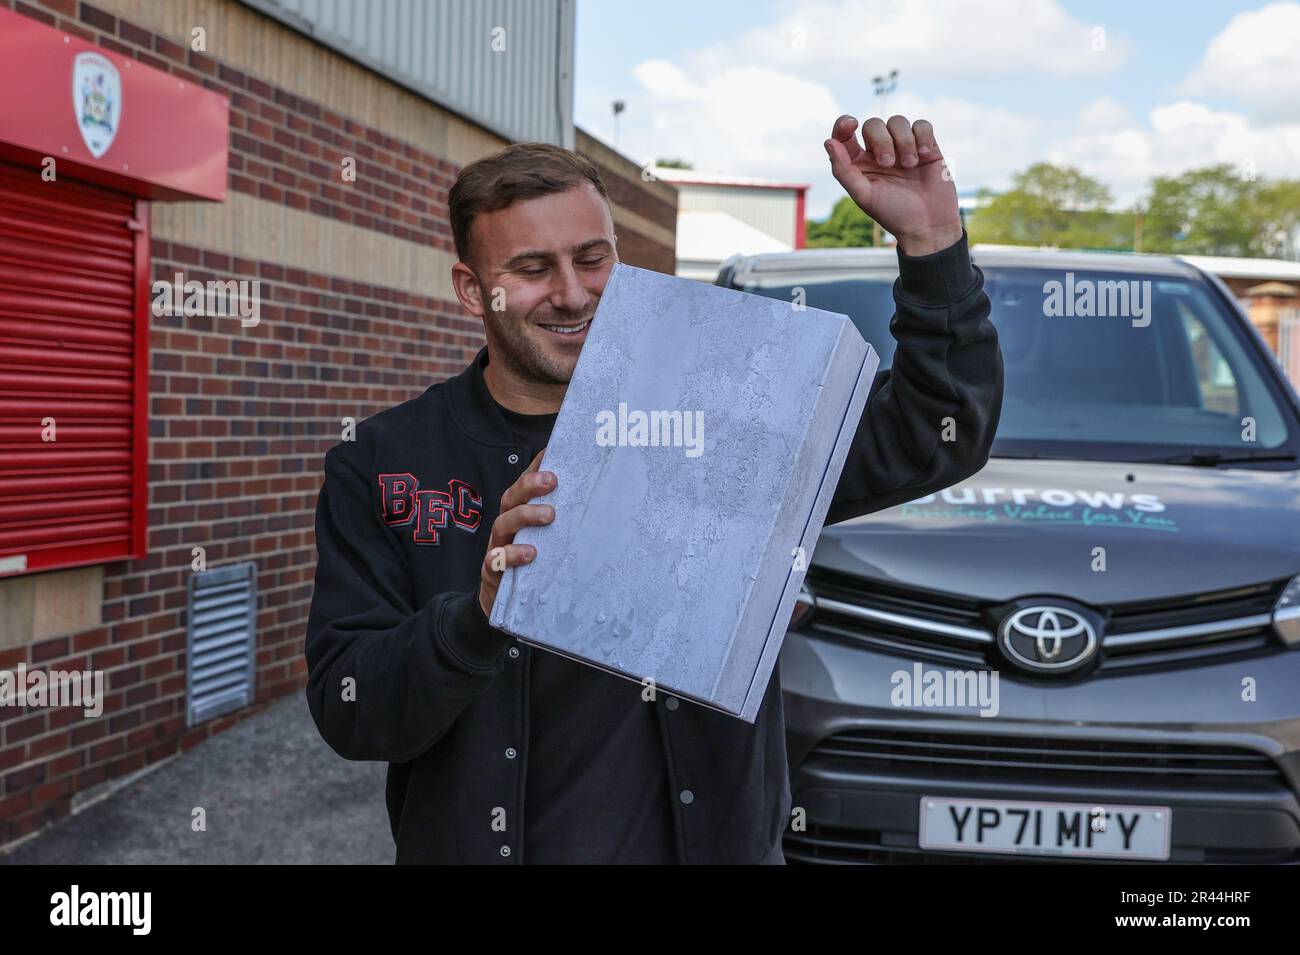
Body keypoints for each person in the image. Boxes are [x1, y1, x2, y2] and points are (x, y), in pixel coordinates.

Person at [304, 114, 1004, 864]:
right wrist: (477, 617)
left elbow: (934, 434)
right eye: (534, 268)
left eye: (592, 258)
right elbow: (353, 711)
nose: (573, 295)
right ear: (474, 293)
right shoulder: (384, 462)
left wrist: (933, 248)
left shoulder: (716, 421)